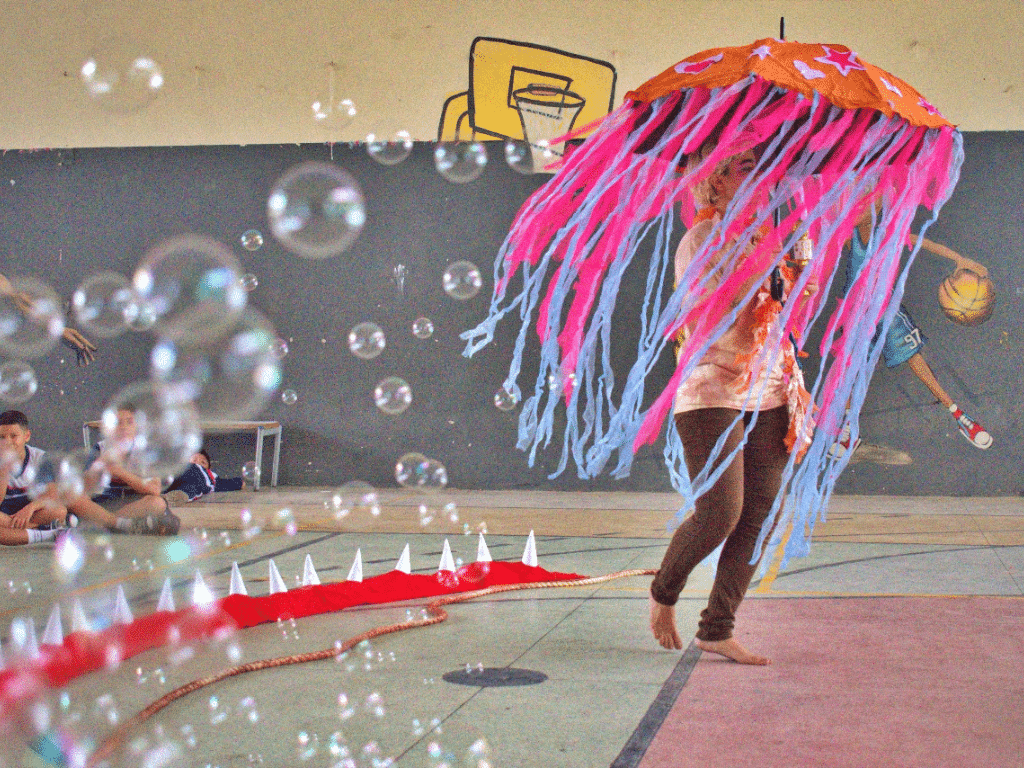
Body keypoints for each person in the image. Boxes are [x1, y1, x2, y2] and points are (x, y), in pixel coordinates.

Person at [649, 144, 813, 665]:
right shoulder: (700, 240)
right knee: (722, 511)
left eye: (764, 165)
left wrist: (797, 272)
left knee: (761, 512)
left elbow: (783, 323)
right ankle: (664, 592)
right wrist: (769, 263)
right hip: (712, 389)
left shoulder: (771, 238)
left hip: (770, 390)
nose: (762, 174)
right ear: (716, 182)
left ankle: (716, 628)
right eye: (746, 166)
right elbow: (727, 330)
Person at [840, 210, 993, 451]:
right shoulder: (850, 237)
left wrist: (959, 260)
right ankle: (847, 429)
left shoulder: (890, 235)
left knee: (917, 362)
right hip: (856, 313)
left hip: (885, 309)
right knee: (852, 366)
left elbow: (924, 242)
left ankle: (960, 417)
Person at [69, 404, 181, 535]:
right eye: (117, 423)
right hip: (102, 503)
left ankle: (103, 522)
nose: (124, 427)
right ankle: (121, 524)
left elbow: (154, 489)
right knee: (71, 497)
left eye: (129, 422)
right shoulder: (100, 448)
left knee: (157, 503)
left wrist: (118, 471)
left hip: (132, 506)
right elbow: (83, 488)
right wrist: (99, 465)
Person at [164, 448, 244, 505]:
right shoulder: (184, 465)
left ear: (209, 469)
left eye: (203, 462)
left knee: (192, 488)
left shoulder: (211, 476)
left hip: (195, 480)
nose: (198, 463)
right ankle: (162, 488)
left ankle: (179, 495)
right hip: (181, 472)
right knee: (170, 479)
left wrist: (239, 483)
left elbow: (226, 483)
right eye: (194, 460)